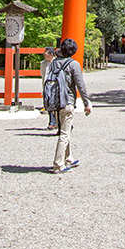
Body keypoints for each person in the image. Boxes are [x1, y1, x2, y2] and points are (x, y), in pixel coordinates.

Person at [46, 38, 92, 174]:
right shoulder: (73, 64)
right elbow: (80, 85)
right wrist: (86, 102)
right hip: (67, 102)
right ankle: (58, 164)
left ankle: (68, 159)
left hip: (55, 102)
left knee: (65, 130)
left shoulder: (54, 63)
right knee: (64, 134)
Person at [39, 47, 58, 130]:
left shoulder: (57, 63)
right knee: (48, 104)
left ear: (51, 54)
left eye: (45, 53)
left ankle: (55, 122)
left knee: (55, 105)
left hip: (55, 85)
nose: (44, 54)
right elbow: (43, 75)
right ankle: (52, 122)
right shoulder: (43, 64)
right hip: (47, 85)